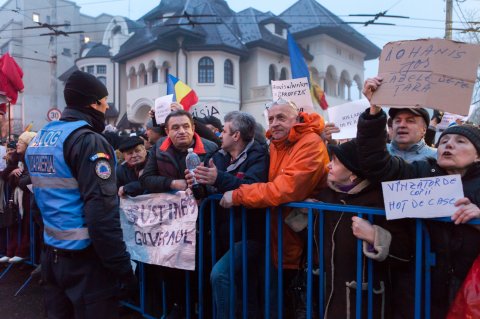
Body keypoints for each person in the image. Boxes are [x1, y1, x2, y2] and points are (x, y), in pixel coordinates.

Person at [357, 76, 480, 318]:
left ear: (478, 156)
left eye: (460, 141)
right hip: (421, 284)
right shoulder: (421, 171)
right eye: (444, 140)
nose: (448, 145)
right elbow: (376, 164)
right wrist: (373, 113)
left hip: (468, 288)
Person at [25, 70, 136, 319]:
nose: (107, 108)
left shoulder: (40, 139)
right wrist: (121, 267)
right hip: (86, 265)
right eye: (105, 102)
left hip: (53, 257)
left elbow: (37, 202)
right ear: (93, 103)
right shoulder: (88, 141)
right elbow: (101, 213)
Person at [220, 98, 330, 317]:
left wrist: (238, 195)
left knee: (295, 305)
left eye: (281, 117)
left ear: (297, 118)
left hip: (302, 242)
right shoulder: (275, 144)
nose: (275, 123)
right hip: (279, 239)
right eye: (271, 118)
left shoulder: (310, 143)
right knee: (275, 302)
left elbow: (283, 189)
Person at [186, 111, 269, 318]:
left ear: (236, 135)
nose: (220, 135)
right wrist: (196, 183)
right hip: (222, 234)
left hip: (249, 235)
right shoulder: (219, 156)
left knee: (220, 275)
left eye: (224, 130)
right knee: (243, 287)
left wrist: (218, 178)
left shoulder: (259, 156)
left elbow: (251, 187)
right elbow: (209, 186)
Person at [140, 109, 217, 316]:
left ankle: (202, 309)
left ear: (193, 128)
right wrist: (174, 183)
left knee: (201, 271)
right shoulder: (158, 148)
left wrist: (201, 189)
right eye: (175, 127)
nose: (181, 131)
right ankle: (179, 307)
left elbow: (218, 184)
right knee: (171, 270)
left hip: (202, 227)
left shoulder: (210, 149)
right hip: (170, 227)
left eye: (185, 126)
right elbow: (146, 179)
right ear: (166, 131)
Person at [0, 131, 36, 263]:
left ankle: (23, 252)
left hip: (27, 198)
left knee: (26, 225)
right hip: (16, 198)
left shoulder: (31, 158)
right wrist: (12, 172)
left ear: (28, 144)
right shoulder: (16, 158)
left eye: (21, 141)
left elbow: (23, 181)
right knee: (15, 224)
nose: (18, 144)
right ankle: (11, 251)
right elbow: (5, 174)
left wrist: (15, 178)